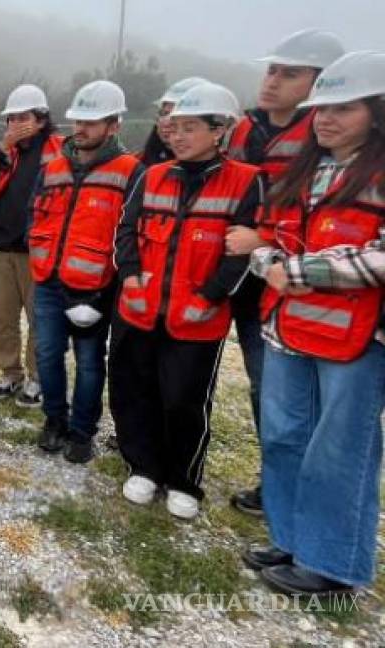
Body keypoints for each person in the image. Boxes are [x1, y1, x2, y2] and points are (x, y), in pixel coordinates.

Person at [225, 51, 385, 596]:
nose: (326, 119)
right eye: (321, 109)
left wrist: (293, 268)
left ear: (376, 111)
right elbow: (262, 238)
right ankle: (293, 541)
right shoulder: (307, 172)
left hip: (357, 339)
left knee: (339, 451)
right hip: (288, 327)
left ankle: (335, 565)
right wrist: (266, 261)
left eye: (344, 107)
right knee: (285, 437)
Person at [111, 83, 264, 519]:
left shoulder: (246, 181)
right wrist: (132, 276)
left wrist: (211, 296)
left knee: (184, 400)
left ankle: (183, 479)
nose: (176, 136)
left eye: (189, 128)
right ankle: (142, 466)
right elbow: (126, 231)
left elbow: (241, 250)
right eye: (173, 128)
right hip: (141, 309)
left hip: (197, 316)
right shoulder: (153, 175)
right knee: (134, 390)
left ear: (220, 131)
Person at [225, 29, 345, 517]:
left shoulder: (326, 136)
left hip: (283, 279)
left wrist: (265, 239)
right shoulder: (240, 129)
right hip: (224, 269)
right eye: (272, 70)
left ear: (321, 83)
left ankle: (285, 487)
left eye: (289, 73)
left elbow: (322, 214)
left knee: (274, 388)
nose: (272, 81)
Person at [28, 80, 144, 463]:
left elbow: (131, 234)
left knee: (90, 362)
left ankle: (82, 431)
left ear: (114, 126)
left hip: (94, 288)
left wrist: (108, 288)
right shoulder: (54, 167)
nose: (81, 129)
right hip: (48, 280)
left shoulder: (131, 172)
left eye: (92, 122)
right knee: (47, 354)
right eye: (78, 121)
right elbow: (38, 214)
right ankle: (54, 420)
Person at [0, 84, 64, 407]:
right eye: (11, 118)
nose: (15, 124)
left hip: (37, 250)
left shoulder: (60, 149)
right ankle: (10, 373)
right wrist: (1, 148)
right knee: (2, 316)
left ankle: (38, 378)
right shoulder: (3, 151)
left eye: (23, 117)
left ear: (41, 119)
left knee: (39, 318)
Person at [138, 77, 208, 166]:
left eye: (175, 115)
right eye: (164, 113)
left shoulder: (226, 175)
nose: (166, 122)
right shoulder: (137, 165)